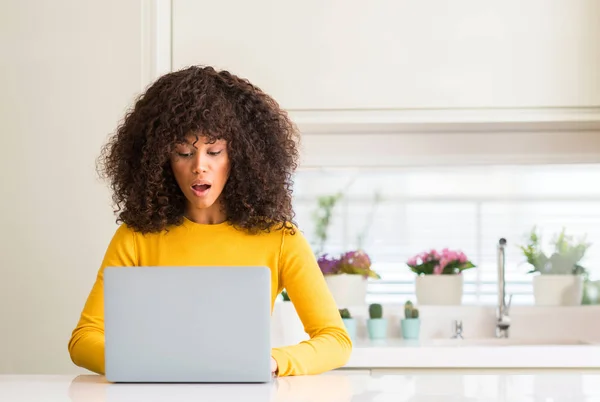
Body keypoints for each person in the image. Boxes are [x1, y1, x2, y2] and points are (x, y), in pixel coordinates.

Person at [67, 65, 352, 377]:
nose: (199, 166)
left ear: (240, 157)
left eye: (214, 151)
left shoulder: (281, 239)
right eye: (184, 153)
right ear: (162, 161)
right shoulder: (137, 237)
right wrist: (141, 363)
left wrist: (270, 362)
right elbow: (83, 340)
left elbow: (336, 341)